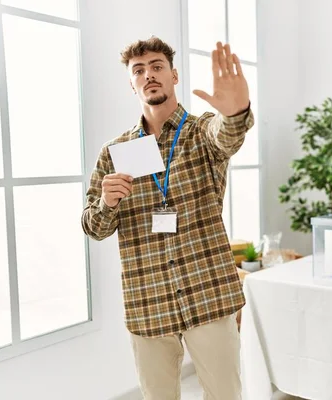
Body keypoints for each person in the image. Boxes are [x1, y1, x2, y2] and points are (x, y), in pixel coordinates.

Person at [81, 36, 253, 399]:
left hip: (208, 293)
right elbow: (94, 228)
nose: (149, 75)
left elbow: (226, 136)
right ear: (132, 83)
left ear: (174, 76)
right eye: (139, 70)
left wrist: (236, 112)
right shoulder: (114, 154)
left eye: (157, 67)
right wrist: (106, 204)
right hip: (148, 299)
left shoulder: (201, 132)